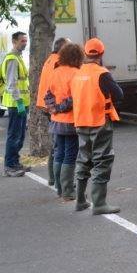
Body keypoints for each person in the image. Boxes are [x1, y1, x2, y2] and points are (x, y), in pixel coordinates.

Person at [71, 38, 124, 215]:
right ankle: (99, 203)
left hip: (80, 121)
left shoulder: (78, 73)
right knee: (102, 160)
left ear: (86, 53)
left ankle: (80, 200)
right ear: (101, 54)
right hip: (99, 121)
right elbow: (119, 94)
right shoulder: (102, 73)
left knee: (83, 159)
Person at [43, 43, 84, 201]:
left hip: (55, 121)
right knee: (70, 155)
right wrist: (60, 108)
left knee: (59, 153)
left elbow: (48, 95)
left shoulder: (55, 72)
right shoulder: (76, 73)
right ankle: (68, 190)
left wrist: (53, 108)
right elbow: (75, 98)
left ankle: (60, 188)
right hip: (71, 120)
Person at [36, 38, 69, 185]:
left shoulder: (50, 59)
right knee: (60, 145)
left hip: (47, 105)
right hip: (54, 106)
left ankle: (54, 178)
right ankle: (58, 179)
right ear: (62, 49)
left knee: (57, 143)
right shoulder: (58, 62)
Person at [0, 31, 30, 177]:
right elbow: (12, 84)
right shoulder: (12, 59)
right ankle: (9, 166)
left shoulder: (19, 58)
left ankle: (15, 162)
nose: (25, 43)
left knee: (20, 134)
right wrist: (19, 102)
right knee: (14, 135)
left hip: (22, 103)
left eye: (25, 40)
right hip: (16, 103)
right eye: (22, 41)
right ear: (14, 42)